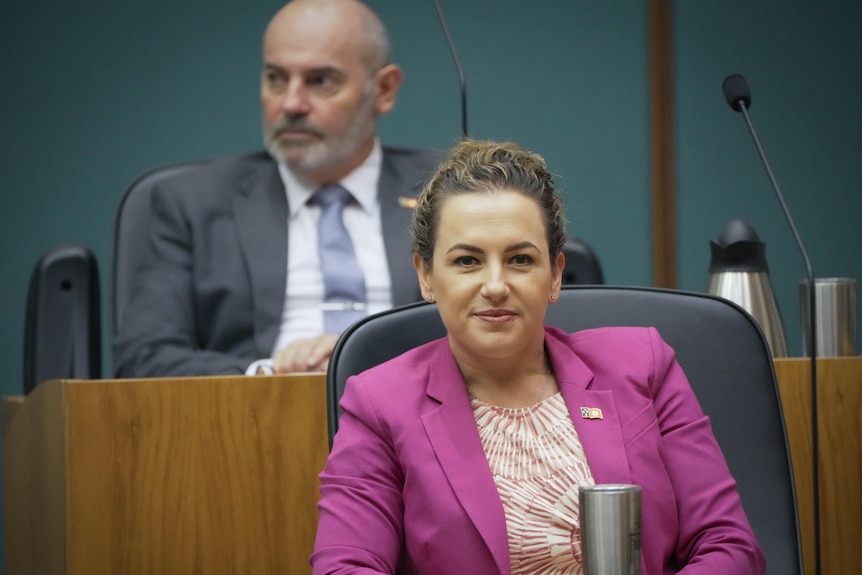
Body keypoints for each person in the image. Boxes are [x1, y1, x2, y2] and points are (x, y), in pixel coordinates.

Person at [311, 140, 766, 574]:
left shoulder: (642, 365)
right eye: (467, 261)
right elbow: (344, 566)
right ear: (426, 276)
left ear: (555, 275)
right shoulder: (379, 403)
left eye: (521, 260)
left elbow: (728, 546)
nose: (494, 285)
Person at [113, 0, 440, 377]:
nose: (291, 103)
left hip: (418, 421)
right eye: (275, 78)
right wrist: (268, 374)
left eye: (321, 81)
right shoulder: (191, 204)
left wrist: (367, 361)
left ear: (383, 89)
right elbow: (143, 358)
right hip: (249, 424)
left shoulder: (449, 192)